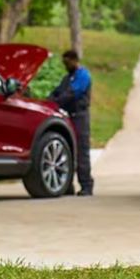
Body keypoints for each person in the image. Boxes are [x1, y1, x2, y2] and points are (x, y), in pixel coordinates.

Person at [49, 50, 94, 196]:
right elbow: (58, 91)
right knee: (68, 151)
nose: (65, 66)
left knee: (82, 151)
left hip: (80, 116)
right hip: (68, 117)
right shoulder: (67, 78)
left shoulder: (83, 75)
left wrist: (57, 100)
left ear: (75, 60)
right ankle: (67, 185)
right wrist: (50, 99)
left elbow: (73, 93)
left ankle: (86, 185)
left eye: (67, 63)